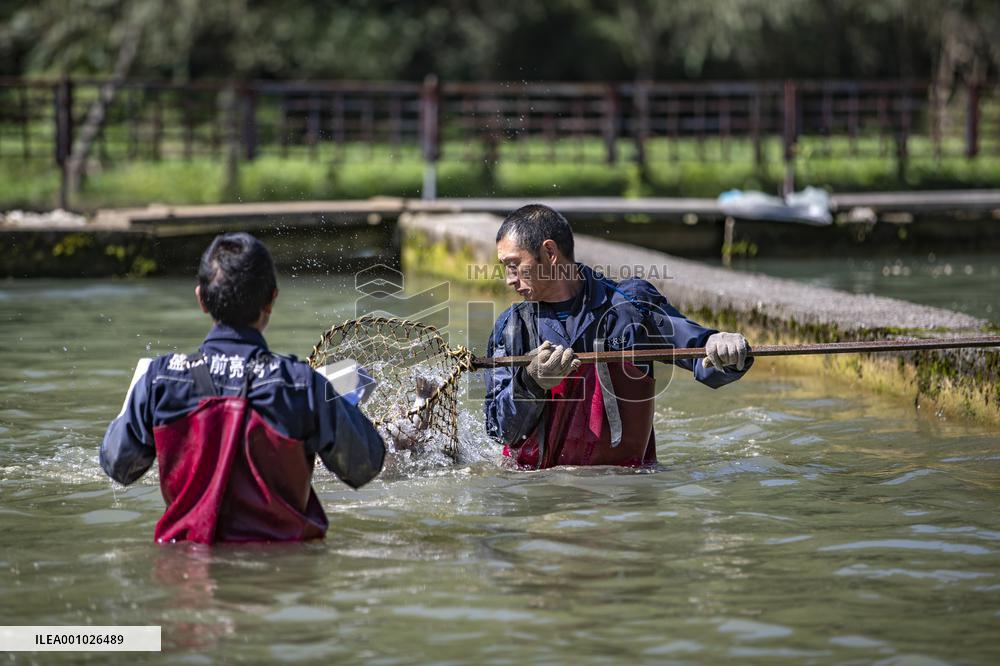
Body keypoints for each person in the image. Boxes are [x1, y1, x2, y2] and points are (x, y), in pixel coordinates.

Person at [100, 232, 386, 544]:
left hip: (184, 570)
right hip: (283, 570)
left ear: (201, 299)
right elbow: (364, 465)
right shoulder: (302, 385)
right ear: (272, 299)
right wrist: (338, 406)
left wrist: (135, 402)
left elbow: (118, 464)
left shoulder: (160, 379)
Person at [485, 204, 752, 469]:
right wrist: (531, 382)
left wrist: (722, 347)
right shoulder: (511, 327)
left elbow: (699, 354)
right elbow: (499, 430)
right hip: (538, 493)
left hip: (622, 494)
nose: (509, 279)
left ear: (550, 252)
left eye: (514, 265)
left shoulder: (631, 306)